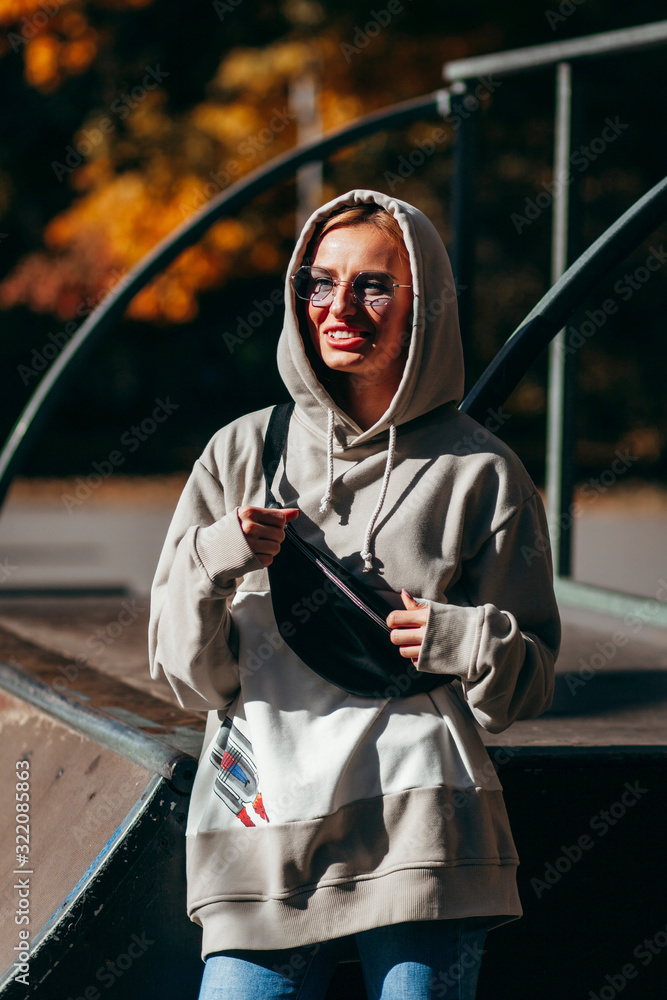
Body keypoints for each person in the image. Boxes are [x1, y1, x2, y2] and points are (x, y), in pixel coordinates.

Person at [148, 188, 560, 1000]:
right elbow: (186, 677)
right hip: (262, 822)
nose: (341, 307)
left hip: (423, 823)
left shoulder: (482, 472)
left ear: (424, 306)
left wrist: (468, 640)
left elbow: (528, 684)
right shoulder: (238, 451)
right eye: (318, 282)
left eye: (373, 285)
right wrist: (217, 556)